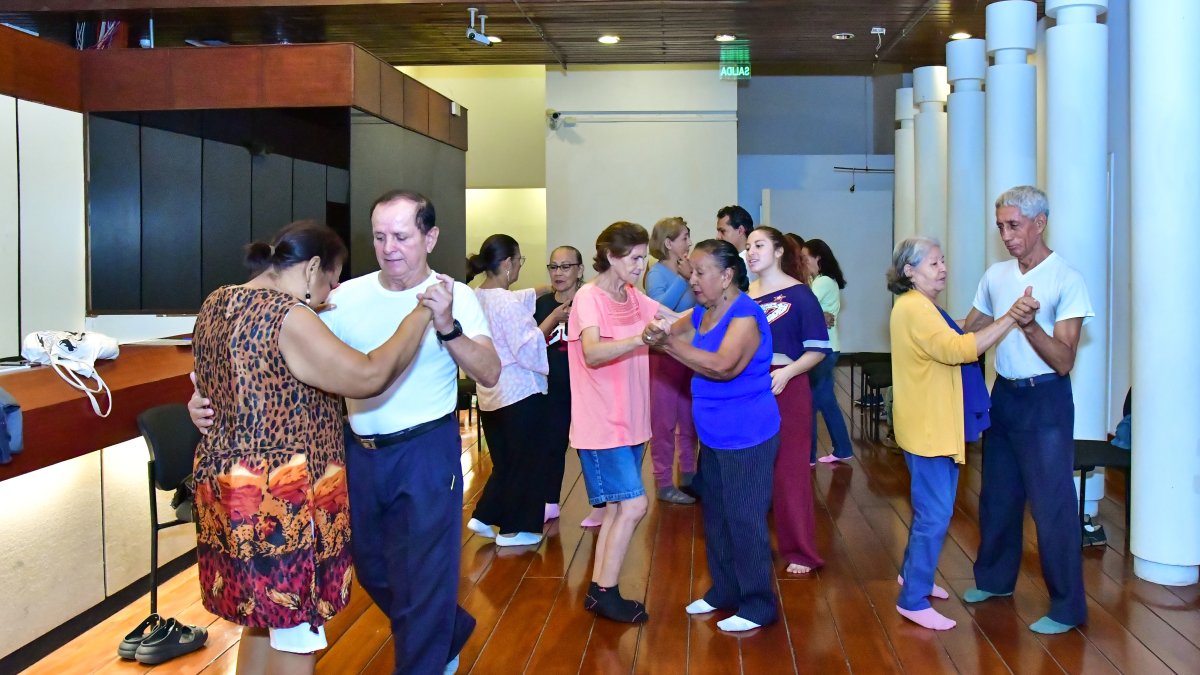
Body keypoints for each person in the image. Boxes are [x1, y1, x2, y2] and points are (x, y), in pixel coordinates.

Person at [192, 192, 500, 673]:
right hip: (352, 453)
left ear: (430, 237)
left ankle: (426, 655)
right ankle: (446, 627)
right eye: (379, 236)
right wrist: (205, 399)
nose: (389, 247)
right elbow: (276, 360)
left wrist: (448, 326)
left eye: (401, 236)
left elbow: (490, 373)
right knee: (369, 568)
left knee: (423, 575)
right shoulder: (339, 296)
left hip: (424, 449)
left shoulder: (455, 295)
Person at [963, 185, 1093, 635]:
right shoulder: (995, 275)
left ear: (1039, 223)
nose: (1006, 234)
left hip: (1046, 401)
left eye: (1013, 225)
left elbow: (1063, 360)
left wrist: (1027, 323)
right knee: (998, 496)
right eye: (1000, 225)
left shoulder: (1066, 278)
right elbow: (967, 332)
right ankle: (995, 581)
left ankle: (1068, 606)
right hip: (1005, 397)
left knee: (1052, 505)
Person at [886, 237, 1028, 631]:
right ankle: (912, 599)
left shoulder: (918, 306)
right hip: (930, 427)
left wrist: (992, 315)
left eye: (943, 260)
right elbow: (960, 349)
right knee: (935, 513)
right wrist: (1011, 317)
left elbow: (957, 333)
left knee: (929, 509)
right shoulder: (916, 309)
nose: (943, 268)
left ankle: (913, 576)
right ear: (909, 271)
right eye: (933, 263)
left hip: (928, 423)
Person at [643, 239, 781, 633]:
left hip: (748, 436)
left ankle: (758, 603)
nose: (693, 278)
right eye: (692, 270)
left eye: (701, 272)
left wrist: (668, 344)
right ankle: (725, 590)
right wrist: (661, 332)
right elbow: (672, 329)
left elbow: (722, 367)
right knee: (716, 517)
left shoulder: (746, 315)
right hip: (716, 436)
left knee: (745, 519)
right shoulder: (703, 310)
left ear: (726, 276)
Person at [568, 221, 670, 624]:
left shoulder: (632, 296)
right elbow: (592, 353)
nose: (641, 265)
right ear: (610, 256)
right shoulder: (587, 298)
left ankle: (600, 592)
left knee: (615, 509)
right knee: (634, 505)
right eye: (634, 258)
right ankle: (605, 592)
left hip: (631, 420)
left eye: (644, 257)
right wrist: (641, 340)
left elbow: (675, 318)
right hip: (601, 422)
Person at [464, 234, 555, 547]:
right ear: (507, 264)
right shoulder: (505, 302)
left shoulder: (477, 296)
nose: (519, 267)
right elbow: (527, 347)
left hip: (491, 395)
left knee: (507, 462)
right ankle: (517, 528)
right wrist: (553, 319)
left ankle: (485, 514)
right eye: (519, 261)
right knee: (527, 462)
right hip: (518, 393)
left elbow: (519, 299)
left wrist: (549, 288)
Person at [746, 226, 827, 575]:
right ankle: (753, 546)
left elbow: (819, 350)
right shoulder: (745, 295)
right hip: (749, 388)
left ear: (778, 251)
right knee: (749, 469)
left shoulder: (800, 294)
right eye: (748, 246)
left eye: (759, 245)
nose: (751, 251)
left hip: (786, 387)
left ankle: (800, 550)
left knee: (790, 469)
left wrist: (789, 372)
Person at [533, 245, 589, 525]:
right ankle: (549, 500)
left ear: (579, 270)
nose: (558, 273)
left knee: (589, 446)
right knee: (551, 444)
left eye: (565, 267)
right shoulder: (542, 304)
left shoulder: (589, 300)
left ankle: (601, 504)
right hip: (552, 386)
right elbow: (531, 344)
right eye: (553, 267)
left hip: (585, 386)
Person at [644, 216, 698, 504]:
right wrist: (683, 277)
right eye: (684, 237)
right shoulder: (656, 275)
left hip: (687, 354)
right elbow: (661, 310)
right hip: (664, 356)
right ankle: (664, 481)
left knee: (689, 418)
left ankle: (689, 474)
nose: (689, 242)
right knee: (664, 421)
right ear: (668, 243)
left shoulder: (690, 271)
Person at [801, 238, 855, 464]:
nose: (803, 263)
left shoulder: (822, 282)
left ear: (818, 259)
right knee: (826, 401)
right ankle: (842, 448)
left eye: (805, 259)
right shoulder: (826, 281)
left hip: (824, 350)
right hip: (830, 348)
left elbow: (804, 307)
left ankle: (810, 455)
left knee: (813, 402)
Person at [715, 205, 756, 282]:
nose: (718, 237)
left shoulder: (753, 260)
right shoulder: (729, 259)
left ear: (740, 230)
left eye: (723, 231)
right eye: (718, 232)